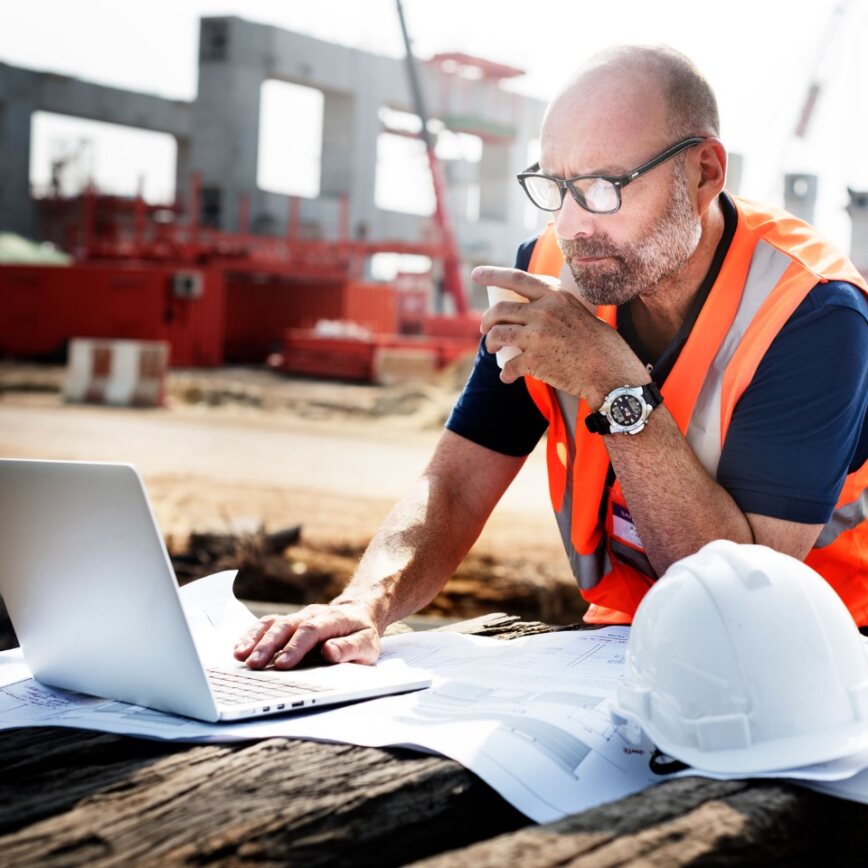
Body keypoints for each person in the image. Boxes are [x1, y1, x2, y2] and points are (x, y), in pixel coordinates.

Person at [235, 44, 868, 670]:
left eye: (602, 186)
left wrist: (612, 383)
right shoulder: (547, 273)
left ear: (704, 172)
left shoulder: (812, 315)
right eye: (556, 185)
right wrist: (366, 602)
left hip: (818, 659)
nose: (570, 224)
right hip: (625, 640)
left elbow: (740, 609)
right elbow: (456, 484)